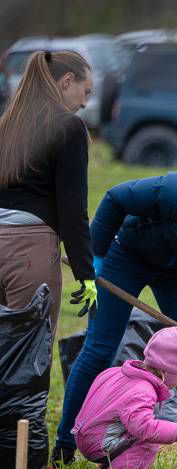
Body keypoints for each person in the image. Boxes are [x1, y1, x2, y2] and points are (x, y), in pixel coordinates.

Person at [52, 168, 177, 467]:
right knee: (100, 348)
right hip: (127, 255)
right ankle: (64, 446)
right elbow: (116, 198)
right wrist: (95, 259)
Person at [0, 50, 96, 339]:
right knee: (28, 353)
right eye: (85, 91)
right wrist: (85, 274)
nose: (85, 103)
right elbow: (73, 208)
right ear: (67, 81)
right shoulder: (69, 126)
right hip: (29, 251)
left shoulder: (6, 124)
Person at [72, 327, 177, 469]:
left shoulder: (115, 372)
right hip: (98, 445)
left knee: (129, 426)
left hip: (83, 436)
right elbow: (144, 427)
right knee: (149, 439)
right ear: (167, 370)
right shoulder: (143, 391)